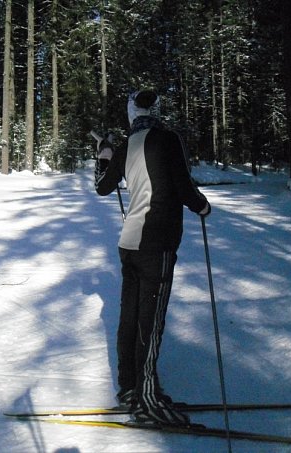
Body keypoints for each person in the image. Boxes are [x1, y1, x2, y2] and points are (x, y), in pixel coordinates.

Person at [94, 90, 211, 426]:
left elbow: (102, 187)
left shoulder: (126, 144)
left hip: (129, 243)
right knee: (150, 321)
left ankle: (130, 388)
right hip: (156, 242)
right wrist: (202, 206)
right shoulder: (167, 138)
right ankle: (147, 399)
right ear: (154, 111)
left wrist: (104, 156)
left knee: (130, 317)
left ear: (131, 113)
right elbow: (184, 187)